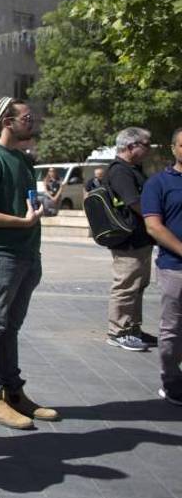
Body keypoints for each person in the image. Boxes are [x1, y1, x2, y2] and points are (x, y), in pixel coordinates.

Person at [0, 97, 59, 429]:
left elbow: (25, 204)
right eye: (27, 118)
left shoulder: (21, 159)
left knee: (10, 327)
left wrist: (35, 213)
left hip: (27, 254)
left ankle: (13, 392)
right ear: (7, 121)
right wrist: (22, 222)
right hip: (0, 256)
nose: (32, 122)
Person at [104, 128, 157, 352]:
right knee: (126, 286)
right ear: (130, 146)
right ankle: (119, 331)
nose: (148, 149)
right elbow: (134, 202)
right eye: (145, 144)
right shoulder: (120, 171)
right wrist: (155, 220)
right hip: (128, 240)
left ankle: (133, 328)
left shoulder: (132, 169)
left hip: (139, 238)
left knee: (138, 285)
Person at [143, 127, 182, 405]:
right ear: (173, 148)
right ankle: (171, 381)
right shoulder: (159, 183)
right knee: (173, 328)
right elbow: (154, 226)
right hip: (174, 267)